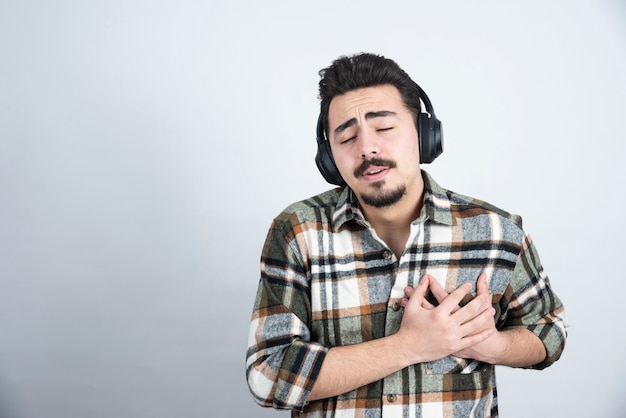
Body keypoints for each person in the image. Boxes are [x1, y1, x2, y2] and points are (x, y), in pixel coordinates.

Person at [245, 52, 566, 417]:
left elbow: (549, 332)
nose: (367, 147)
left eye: (384, 128)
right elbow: (266, 376)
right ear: (329, 158)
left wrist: (489, 345)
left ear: (424, 134)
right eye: (347, 136)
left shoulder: (496, 230)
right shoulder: (297, 232)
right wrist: (409, 346)